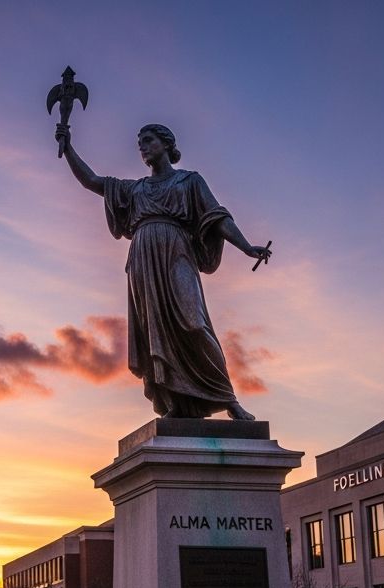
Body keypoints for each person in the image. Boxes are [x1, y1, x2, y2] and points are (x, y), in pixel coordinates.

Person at [55, 122, 271, 420]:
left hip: (176, 251)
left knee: (194, 322)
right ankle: (174, 403)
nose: (142, 147)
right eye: (139, 143)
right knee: (154, 331)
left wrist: (246, 246)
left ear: (167, 144)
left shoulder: (189, 182)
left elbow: (217, 217)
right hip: (144, 257)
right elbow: (92, 180)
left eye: (148, 140)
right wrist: (67, 148)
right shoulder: (135, 188)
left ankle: (228, 399)